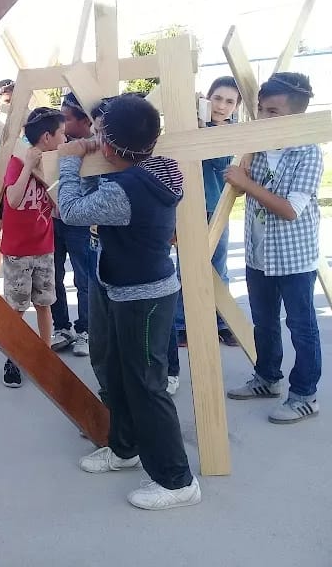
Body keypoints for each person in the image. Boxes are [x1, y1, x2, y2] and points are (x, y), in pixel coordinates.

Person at [59, 93, 200, 510]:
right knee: (110, 366)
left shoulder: (128, 190)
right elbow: (100, 192)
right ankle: (125, 448)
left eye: (99, 130)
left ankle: (177, 481)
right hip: (114, 283)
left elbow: (70, 209)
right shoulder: (151, 167)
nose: (92, 134)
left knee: (145, 385)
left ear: (108, 146)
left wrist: (69, 158)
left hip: (143, 297)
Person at [224, 72, 323, 424]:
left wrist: (246, 183)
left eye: (273, 112)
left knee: (301, 325)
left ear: (295, 115)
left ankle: (305, 395)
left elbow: (290, 209)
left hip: (294, 258)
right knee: (264, 322)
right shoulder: (257, 148)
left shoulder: (308, 154)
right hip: (259, 254)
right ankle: (267, 378)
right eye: (261, 111)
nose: (264, 119)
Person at [175, 76, 242, 347]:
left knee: (218, 266)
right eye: (217, 98)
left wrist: (206, 130)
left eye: (229, 101)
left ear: (236, 106)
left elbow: (221, 165)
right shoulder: (190, 124)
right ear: (207, 98)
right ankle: (181, 324)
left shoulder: (231, 133)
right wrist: (198, 123)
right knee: (185, 268)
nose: (222, 106)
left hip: (217, 207)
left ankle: (222, 322)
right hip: (188, 207)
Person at [0, 108, 64, 387]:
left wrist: (44, 176)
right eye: (61, 133)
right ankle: (13, 358)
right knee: (16, 307)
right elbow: (13, 199)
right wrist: (28, 166)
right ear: (47, 137)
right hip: (17, 250)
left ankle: (44, 354)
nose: (65, 138)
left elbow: (61, 210)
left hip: (43, 247)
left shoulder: (56, 163)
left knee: (44, 303)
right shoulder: (15, 161)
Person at [51, 92, 92, 356]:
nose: (62, 124)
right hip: (55, 219)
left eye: (66, 119)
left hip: (81, 222)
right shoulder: (57, 142)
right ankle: (62, 327)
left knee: (83, 277)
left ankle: (87, 330)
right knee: (53, 275)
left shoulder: (97, 146)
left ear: (84, 120)